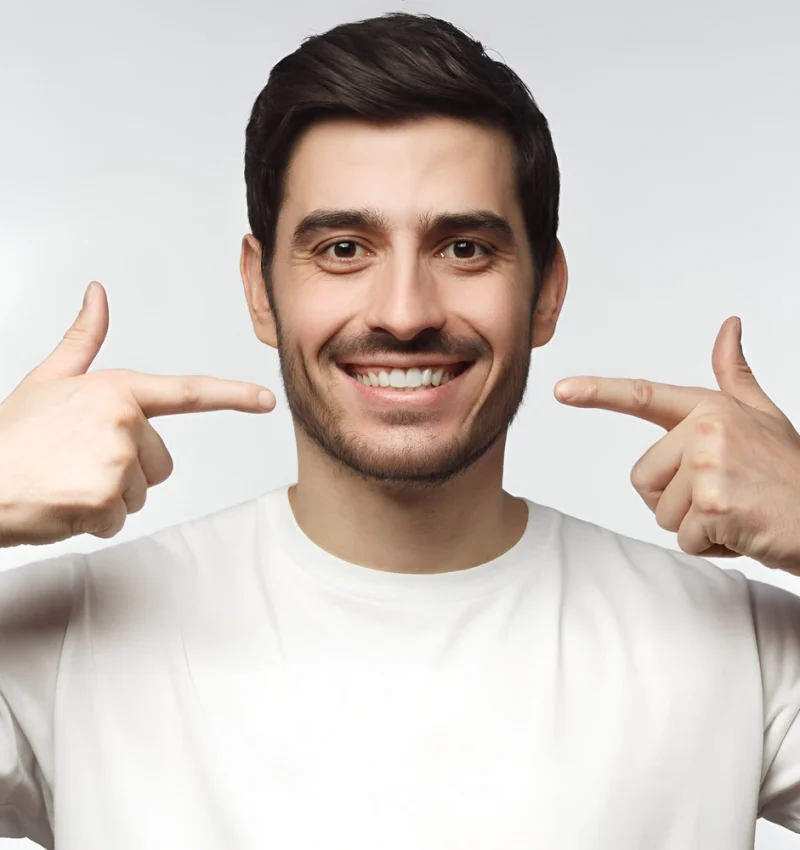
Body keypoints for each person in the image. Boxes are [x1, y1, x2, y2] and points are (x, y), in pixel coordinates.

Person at [0, 11, 798, 850]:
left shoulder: (734, 646)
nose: (405, 314)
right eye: (344, 248)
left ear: (547, 291)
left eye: (463, 248)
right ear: (261, 290)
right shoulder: (58, 645)